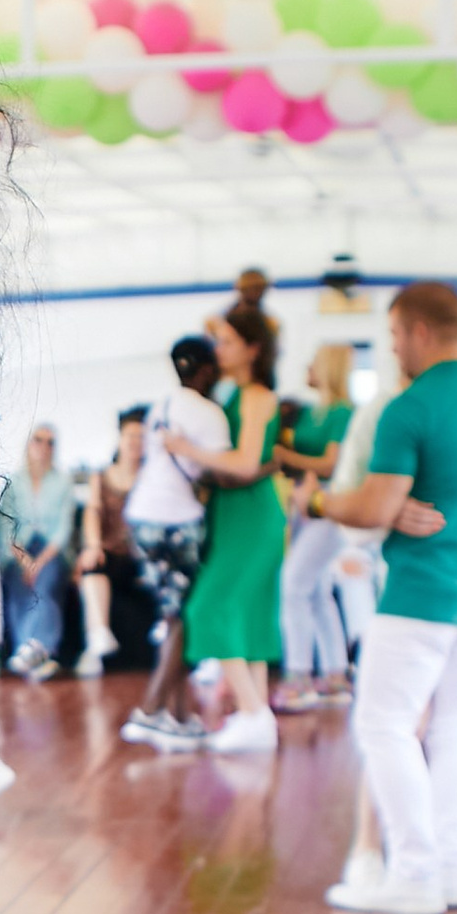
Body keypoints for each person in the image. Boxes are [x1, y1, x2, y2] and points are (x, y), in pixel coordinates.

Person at [321, 278, 457, 914]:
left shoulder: (409, 407)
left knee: (383, 724)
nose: (394, 350)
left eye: (393, 336)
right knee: (455, 724)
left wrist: (325, 500)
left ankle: (413, 872)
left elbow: (374, 507)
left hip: (423, 592)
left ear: (418, 332)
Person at [181, 279, 285, 755]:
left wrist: (186, 449)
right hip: (232, 513)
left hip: (253, 514)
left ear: (252, 348)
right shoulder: (235, 393)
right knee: (250, 615)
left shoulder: (258, 395)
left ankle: (253, 713)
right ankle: (255, 714)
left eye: (227, 342)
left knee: (211, 607)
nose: (218, 349)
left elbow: (245, 461)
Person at [121, 336, 229, 746]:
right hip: (178, 522)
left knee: (172, 617)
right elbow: (219, 472)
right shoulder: (211, 413)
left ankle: (181, 718)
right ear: (205, 370)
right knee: (182, 619)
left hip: (142, 519)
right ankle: (149, 712)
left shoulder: (160, 405)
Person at [274, 339, 359, 704]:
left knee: (293, 585)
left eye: (313, 363)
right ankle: (335, 673)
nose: (307, 369)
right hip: (301, 507)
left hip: (327, 506)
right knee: (317, 590)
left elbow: (330, 465)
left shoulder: (343, 413)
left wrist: (283, 455)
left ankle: (298, 676)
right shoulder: (309, 413)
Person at [0, 423, 75, 677]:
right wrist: (25, 561)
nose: (44, 447)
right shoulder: (13, 482)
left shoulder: (63, 481)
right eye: (39, 440)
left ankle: (37, 646)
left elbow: (63, 529)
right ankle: (30, 650)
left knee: (46, 583)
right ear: (29, 444)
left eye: (51, 442)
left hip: (51, 551)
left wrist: (39, 563)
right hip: (19, 550)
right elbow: (5, 526)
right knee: (18, 586)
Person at [74, 407, 148, 673]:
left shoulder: (152, 477)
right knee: (93, 566)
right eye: (130, 436)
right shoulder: (102, 476)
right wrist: (93, 544)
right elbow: (93, 511)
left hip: (144, 555)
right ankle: (97, 640)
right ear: (120, 438)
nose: (135, 442)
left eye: (141, 436)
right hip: (112, 551)